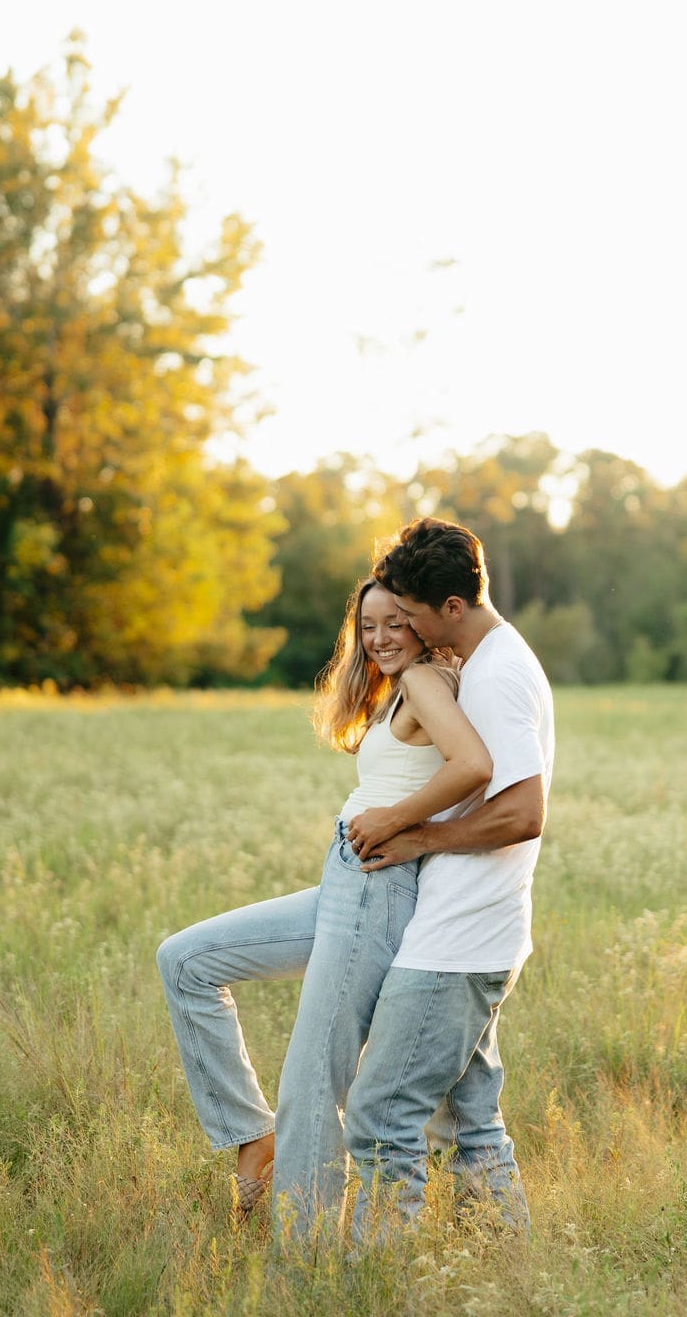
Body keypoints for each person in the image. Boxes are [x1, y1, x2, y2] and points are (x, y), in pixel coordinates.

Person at [156, 577, 492, 1234]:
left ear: (422, 622)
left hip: (375, 885)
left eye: (395, 621)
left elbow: (473, 763)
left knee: (313, 1077)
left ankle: (300, 1258)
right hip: (346, 880)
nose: (380, 638)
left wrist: (396, 820)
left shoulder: (425, 681)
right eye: (369, 626)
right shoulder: (407, 684)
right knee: (186, 961)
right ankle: (254, 1140)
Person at [340, 517, 555, 1241]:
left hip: (458, 942)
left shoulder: (497, 672)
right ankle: (512, 1272)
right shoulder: (488, 662)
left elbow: (523, 813)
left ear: (453, 609)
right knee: (468, 1125)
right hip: (474, 933)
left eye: (416, 615)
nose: (408, 627)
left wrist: (418, 834)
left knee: (381, 1115)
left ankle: (377, 1278)